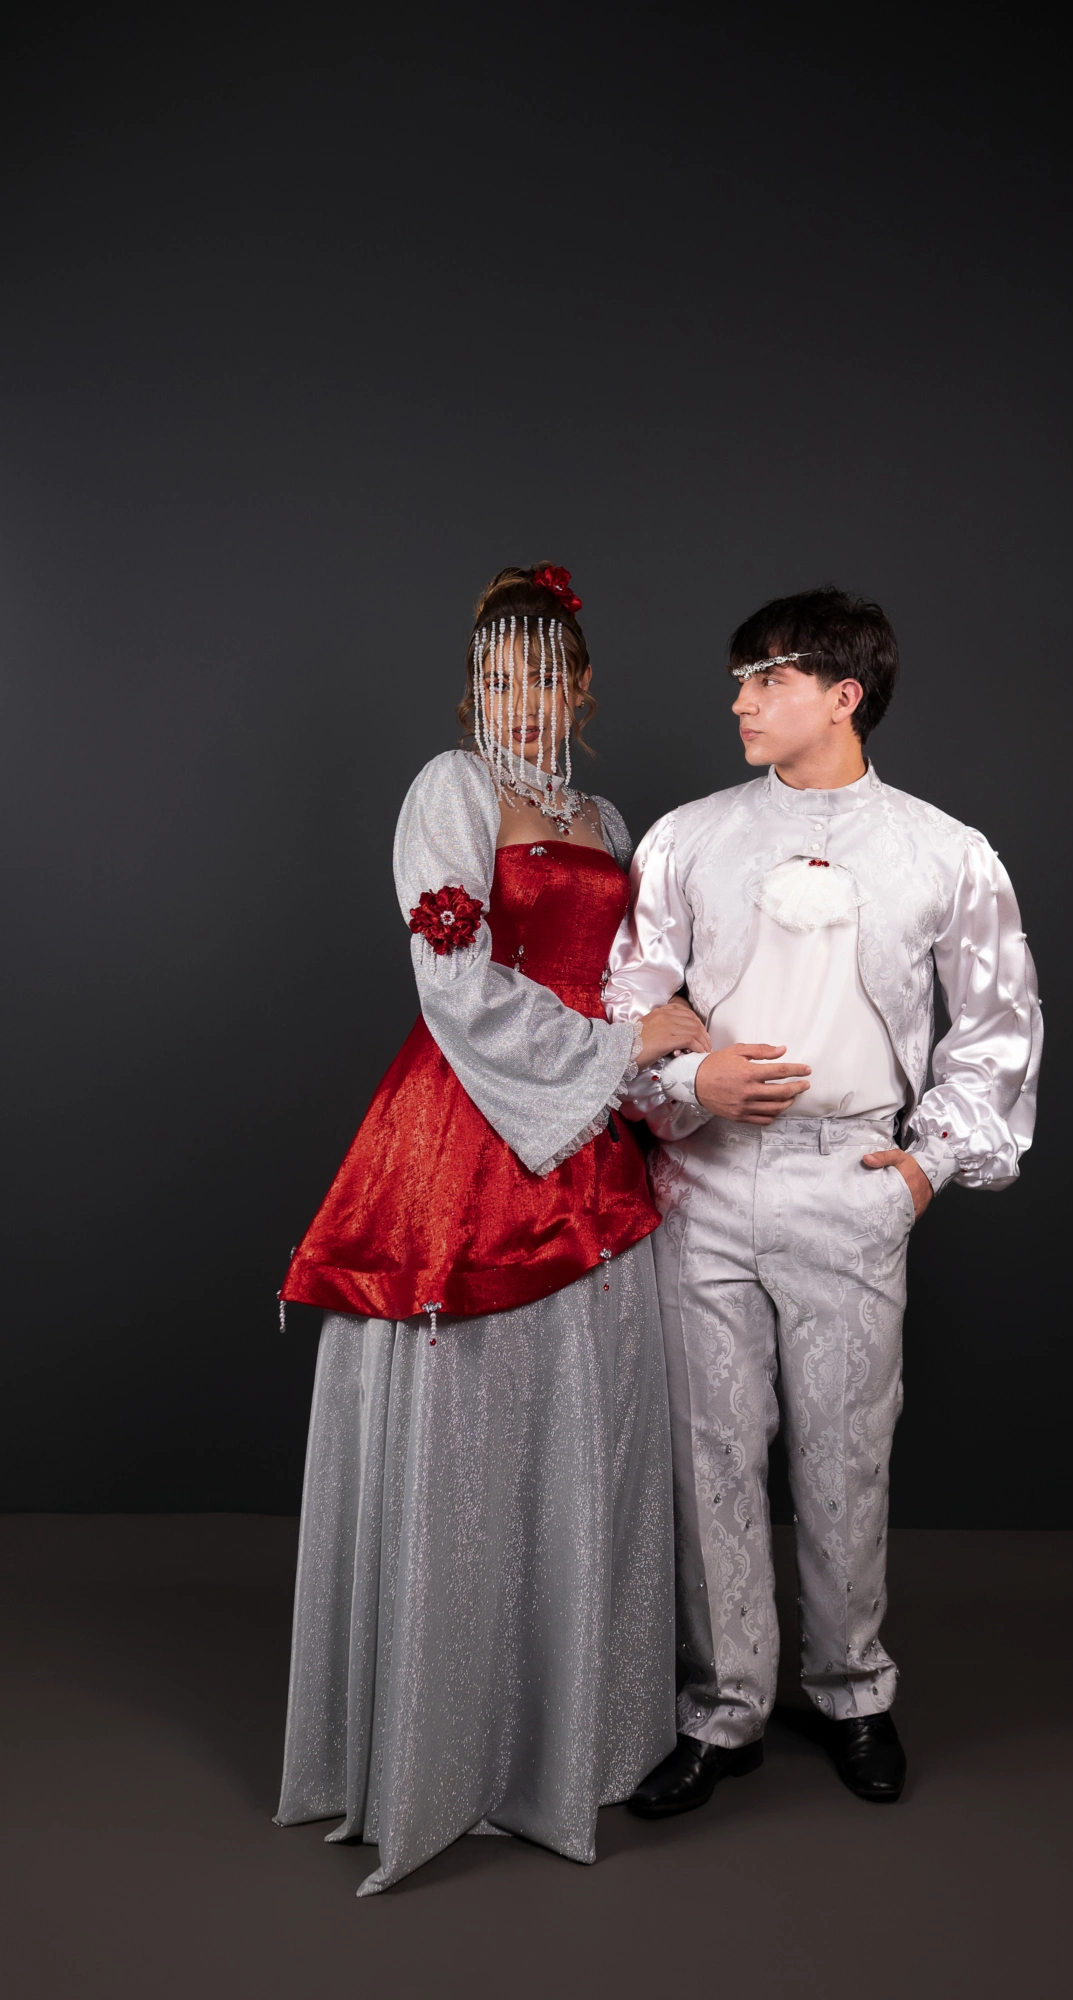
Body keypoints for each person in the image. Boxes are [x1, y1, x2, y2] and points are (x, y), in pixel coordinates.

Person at [274, 565, 707, 1892]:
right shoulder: (450, 792)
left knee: (589, 1433)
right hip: (470, 1128)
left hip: (590, 1140)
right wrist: (621, 1047)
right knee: (468, 1436)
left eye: (545, 678)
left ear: (582, 689)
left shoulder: (608, 817)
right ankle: (441, 1743)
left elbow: (633, 987)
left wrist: (660, 1058)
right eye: (500, 679)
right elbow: (453, 984)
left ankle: (569, 1735)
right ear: (475, 689)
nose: (522, 701)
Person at [604, 587, 1042, 1816]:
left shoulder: (943, 850)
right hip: (700, 1177)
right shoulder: (687, 838)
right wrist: (688, 1078)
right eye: (738, 680)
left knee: (848, 1450)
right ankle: (723, 1707)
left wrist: (925, 1163)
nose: (740, 702)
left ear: (843, 694)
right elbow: (624, 996)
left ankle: (853, 1689)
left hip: (851, 1177)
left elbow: (998, 1023)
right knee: (709, 1449)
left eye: (769, 678)